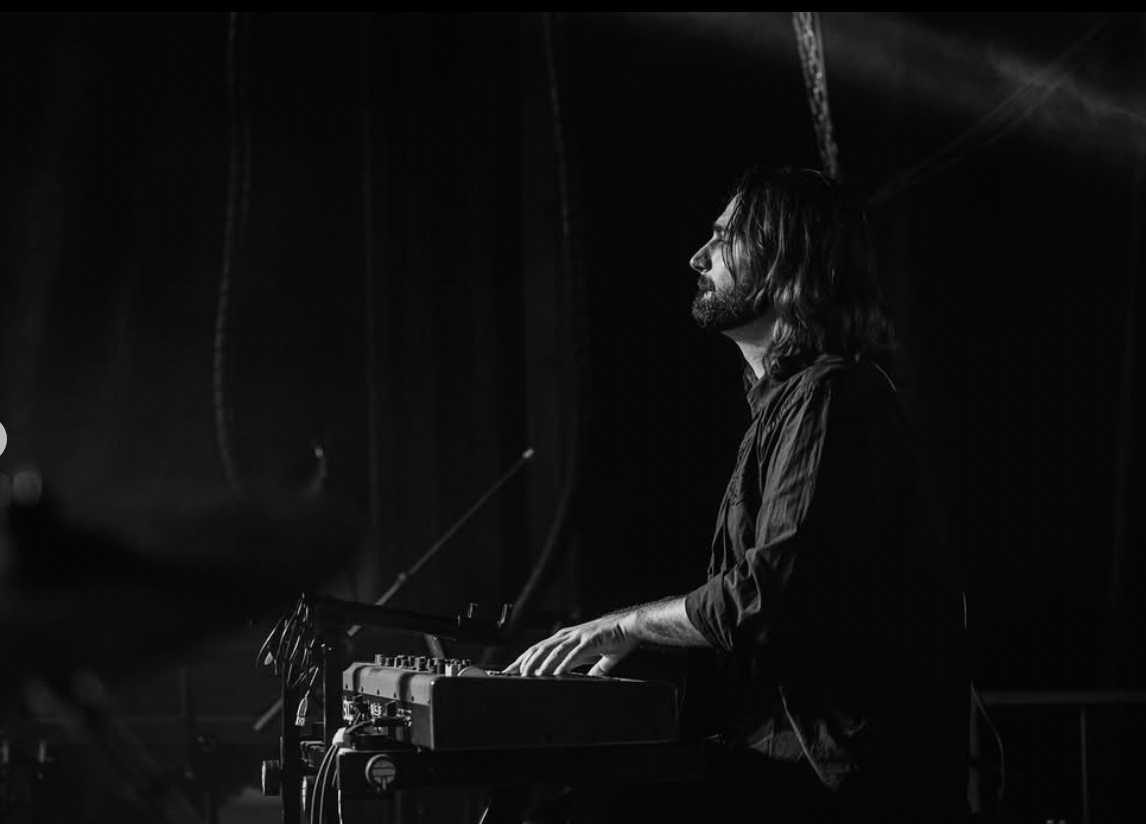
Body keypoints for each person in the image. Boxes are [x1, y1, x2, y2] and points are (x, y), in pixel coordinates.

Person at [505, 167, 969, 823]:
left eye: (724, 239)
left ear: (786, 257)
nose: (699, 257)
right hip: (777, 764)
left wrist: (626, 625)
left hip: (838, 782)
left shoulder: (833, 397)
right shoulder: (785, 413)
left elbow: (764, 597)